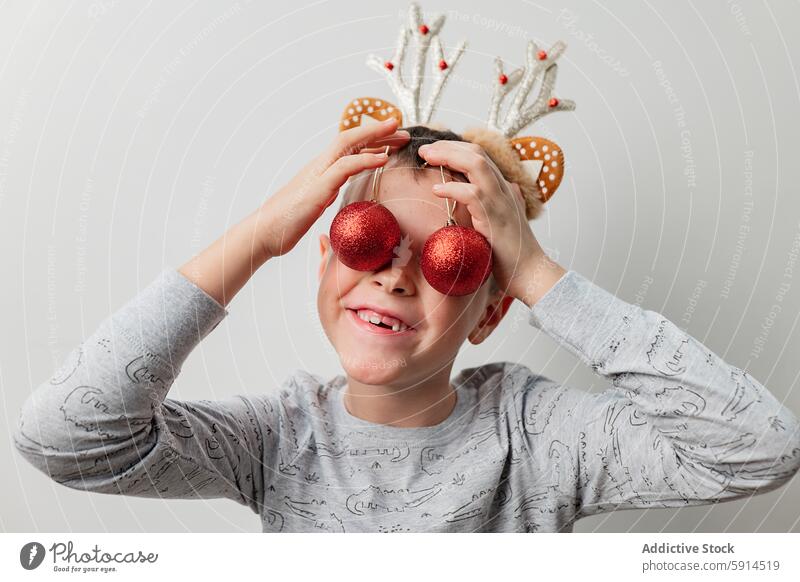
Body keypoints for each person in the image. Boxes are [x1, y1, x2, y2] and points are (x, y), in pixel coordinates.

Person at [14, 118, 800, 532]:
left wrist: (534, 273)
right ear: (323, 261)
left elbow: (760, 448)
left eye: (445, 262)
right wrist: (255, 238)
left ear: (492, 313)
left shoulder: (537, 438)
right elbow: (65, 438)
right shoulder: (278, 439)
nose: (393, 274)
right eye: (369, 242)